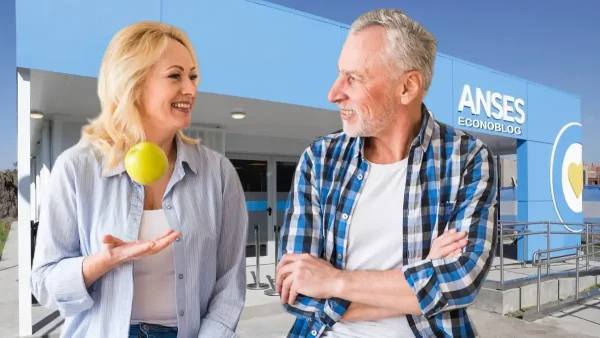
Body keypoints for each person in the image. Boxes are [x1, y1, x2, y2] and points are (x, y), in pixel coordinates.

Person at [276, 8, 498, 338]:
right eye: (340, 74)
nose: (334, 93)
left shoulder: (467, 158)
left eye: (354, 78)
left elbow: (461, 282)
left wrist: (335, 280)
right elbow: (297, 292)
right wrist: (422, 277)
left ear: (407, 87)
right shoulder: (320, 160)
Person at [30, 21, 248, 338]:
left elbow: (229, 284)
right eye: (175, 75)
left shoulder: (218, 174)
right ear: (133, 83)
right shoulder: (77, 168)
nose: (190, 88)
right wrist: (101, 262)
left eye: (193, 76)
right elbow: (44, 283)